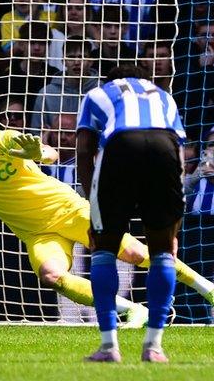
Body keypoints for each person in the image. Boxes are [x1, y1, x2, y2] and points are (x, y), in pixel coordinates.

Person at [0, 94, 214, 332]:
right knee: (52, 277)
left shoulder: (0, 141)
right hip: (38, 234)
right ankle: (131, 310)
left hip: (67, 209)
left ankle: (211, 292)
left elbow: (48, 154)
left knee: (137, 252)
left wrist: (39, 151)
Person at [75, 64, 188, 363]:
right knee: (164, 250)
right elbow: (179, 152)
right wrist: (174, 223)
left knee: (104, 248)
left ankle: (109, 347)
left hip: (121, 144)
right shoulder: (164, 95)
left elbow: (85, 150)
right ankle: (154, 346)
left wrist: (93, 204)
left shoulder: (98, 92)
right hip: (165, 148)